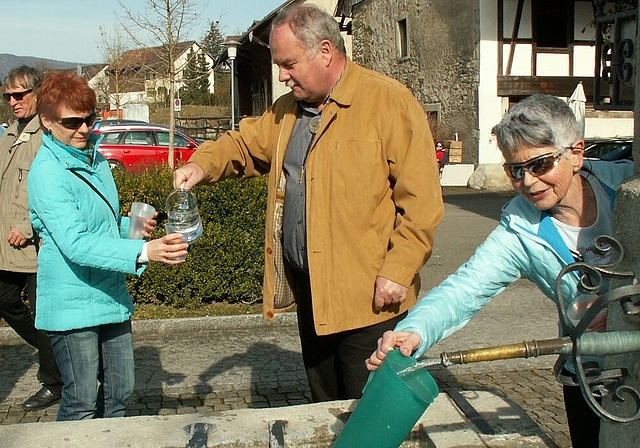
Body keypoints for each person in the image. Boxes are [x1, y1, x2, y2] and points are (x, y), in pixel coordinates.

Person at [173, 4, 443, 402]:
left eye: (289, 64)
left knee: (372, 413)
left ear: (326, 51)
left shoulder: (389, 103)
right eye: (279, 65)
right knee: (325, 407)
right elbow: (244, 144)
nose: (282, 75)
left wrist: (399, 270)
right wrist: (201, 166)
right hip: (313, 297)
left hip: (370, 302)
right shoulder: (287, 112)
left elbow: (421, 205)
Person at [366, 94, 634, 448]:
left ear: (576, 153)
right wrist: (413, 332)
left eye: (540, 164)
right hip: (588, 374)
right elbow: (464, 288)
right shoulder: (519, 230)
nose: (529, 183)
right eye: (515, 170)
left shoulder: (628, 188)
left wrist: (615, 310)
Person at [28, 71, 189, 421]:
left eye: (90, 118)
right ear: (46, 121)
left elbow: (96, 225)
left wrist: (129, 226)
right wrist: (144, 252)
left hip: (109, 293)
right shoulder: (47, 172)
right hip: (71, 303)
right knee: (81, 400)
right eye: (73, 121)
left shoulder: (96, 159)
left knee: (120, 393)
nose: (84, 129)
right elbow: (75, 243)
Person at [0, 65, 64, 411]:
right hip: (5, 243)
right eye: (7, 95)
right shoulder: (11, 133)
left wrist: (25, 226)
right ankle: (52, 351)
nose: (13, 101)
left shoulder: (44, 133)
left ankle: (54, 382)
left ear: (37, 94)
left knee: (43, 314)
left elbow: (41, 183)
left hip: (32, 243)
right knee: (6, 299)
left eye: (20, 94)